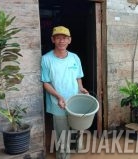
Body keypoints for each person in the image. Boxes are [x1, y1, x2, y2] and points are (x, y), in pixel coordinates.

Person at [41, 26, 88, 159]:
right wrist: (58, 96)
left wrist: (81, 89)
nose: (61, 41)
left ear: (69, 40)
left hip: (75, 101)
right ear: (53, 40)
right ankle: (63, 156)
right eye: (58, 38)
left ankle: (74, 147)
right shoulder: (46, 59)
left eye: (65, 38)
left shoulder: (75, 58)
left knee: (77, 127)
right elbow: (46, 83)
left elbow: (78, 77)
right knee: (62, 133)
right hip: (58, 103)